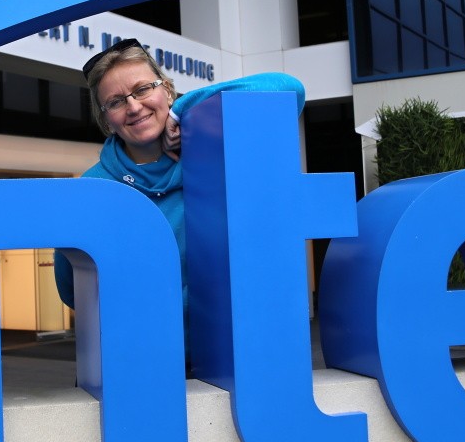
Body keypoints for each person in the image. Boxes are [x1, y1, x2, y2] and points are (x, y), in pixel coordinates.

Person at [52, 38, 305, 321]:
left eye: (143, 89)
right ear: (106, 120)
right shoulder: (92, 188)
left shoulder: (215, 153)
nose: (134, 107)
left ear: (167, 91)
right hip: (146, 341)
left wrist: (184, 109)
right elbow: (73, 290)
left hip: (232, 336)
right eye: (116, 102)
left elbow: (290, 90)